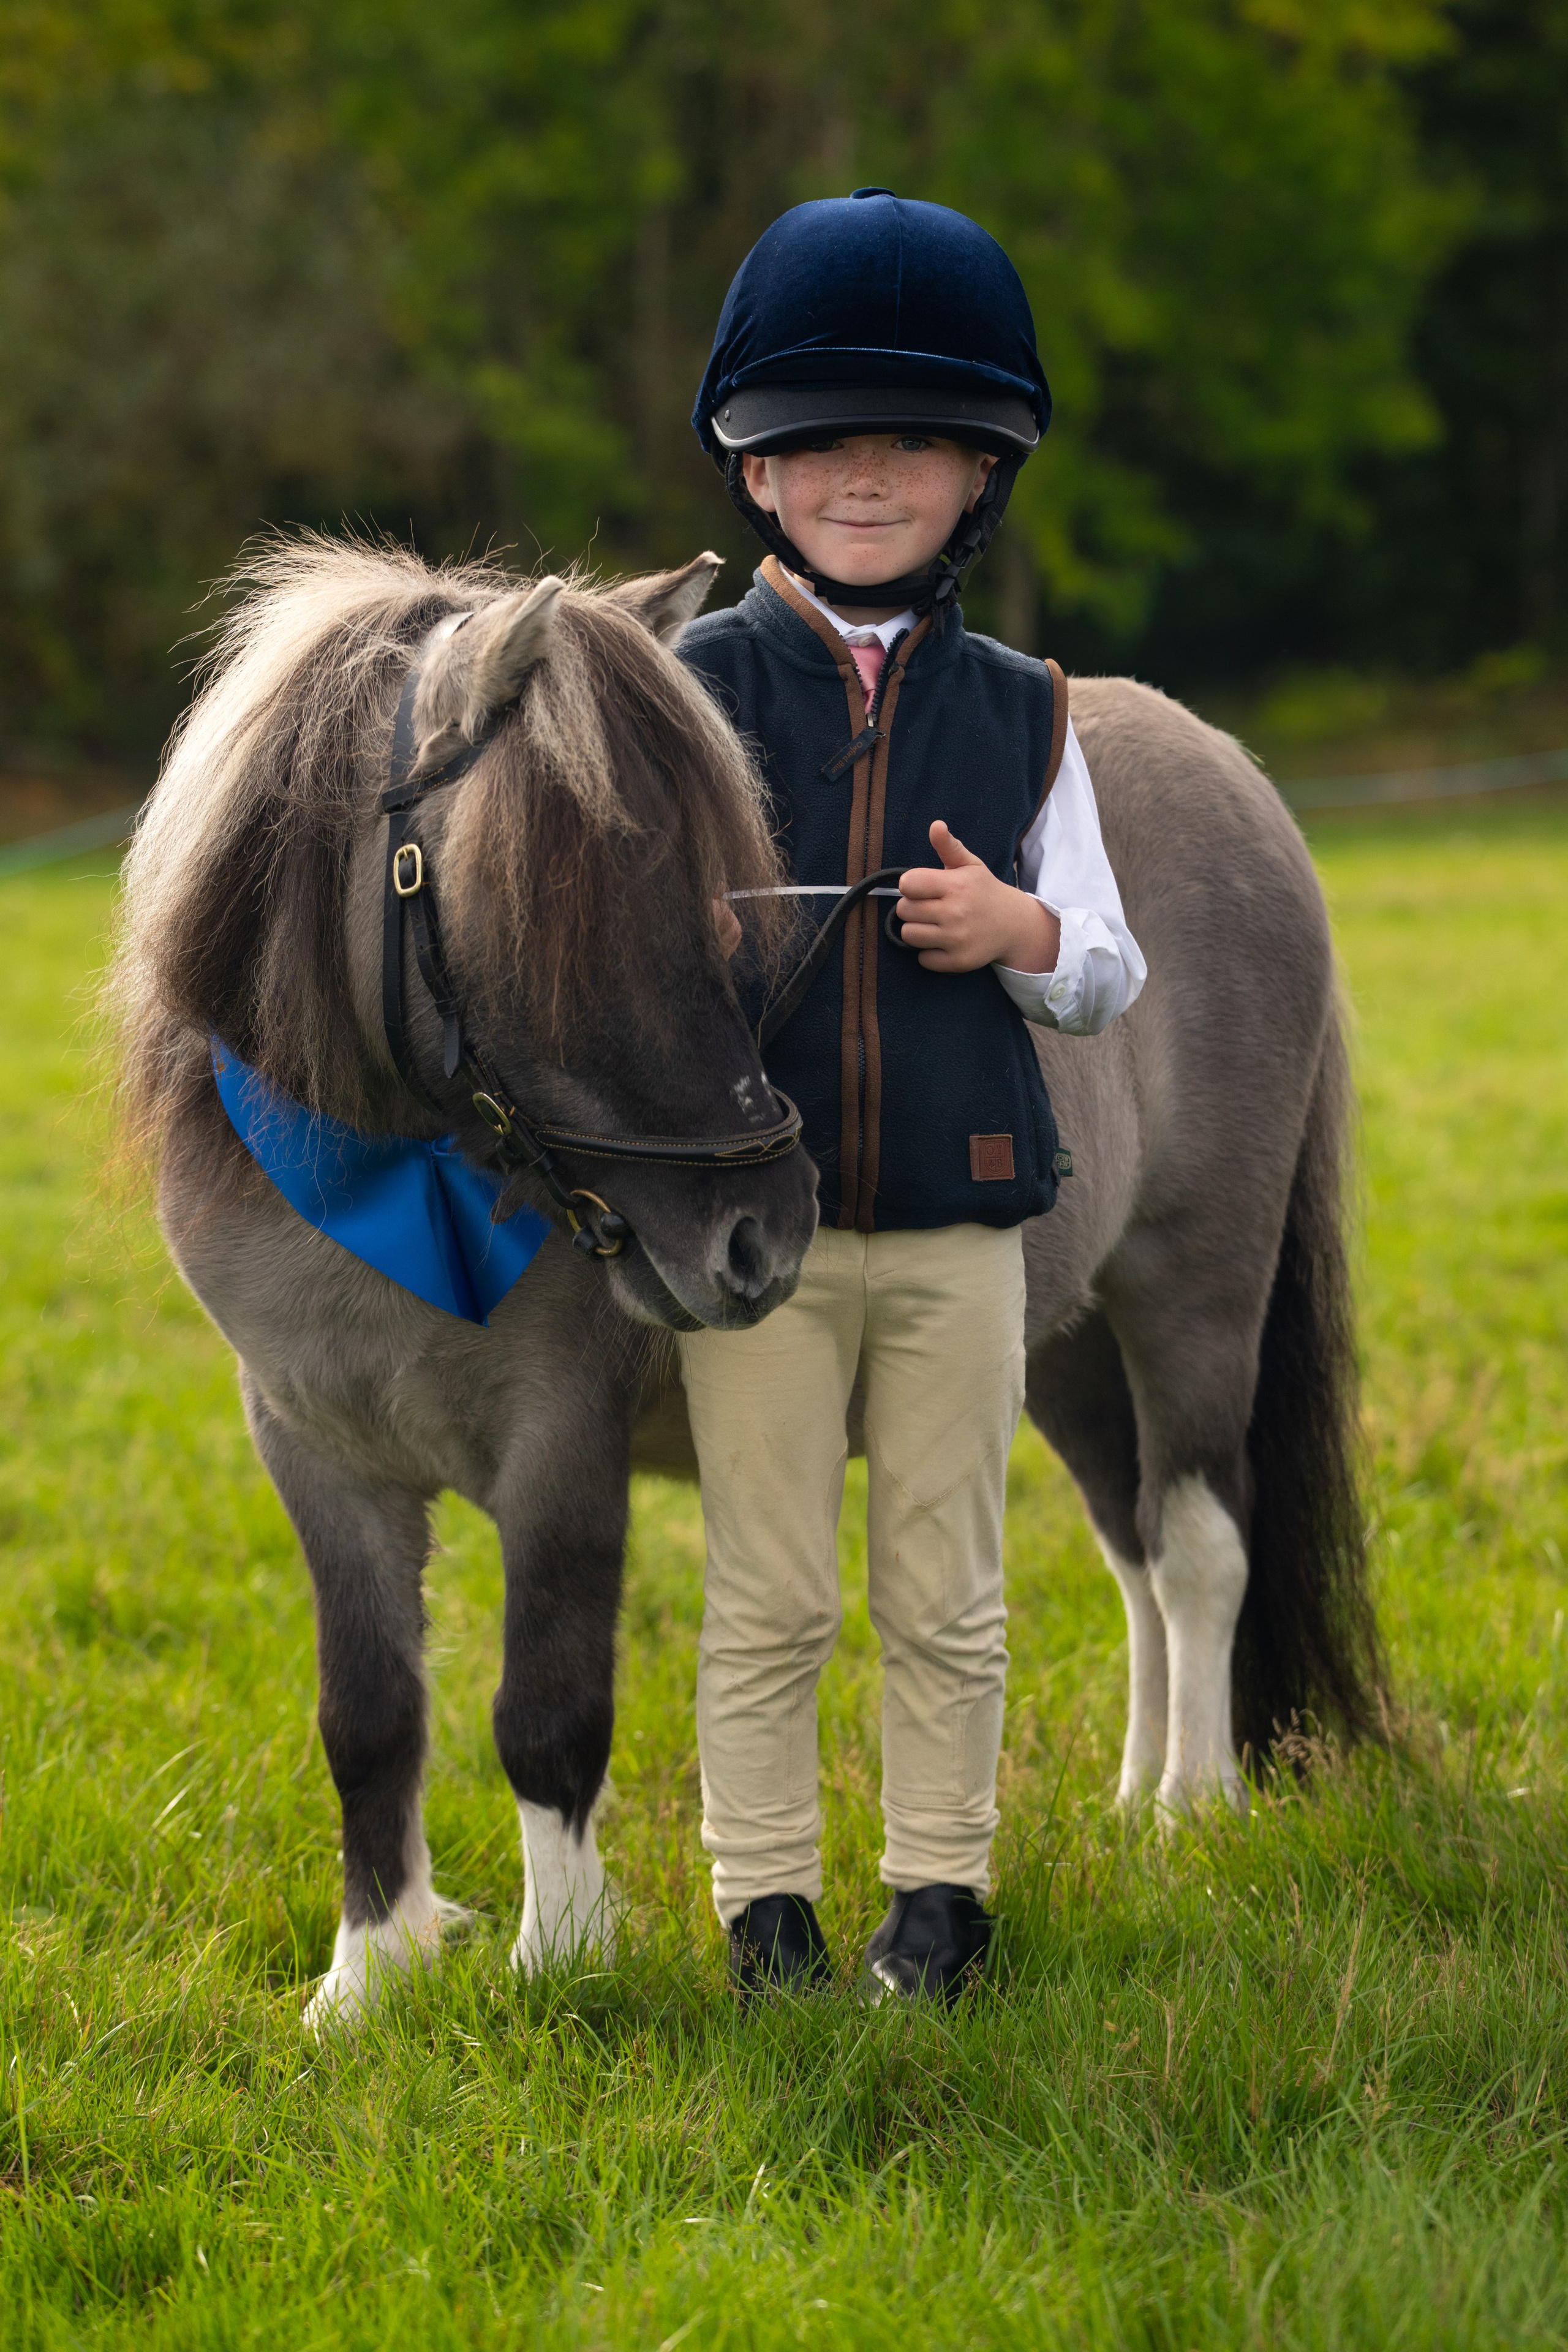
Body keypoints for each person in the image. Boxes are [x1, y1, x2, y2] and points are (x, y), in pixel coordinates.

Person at [677, 189, 1145, 2002]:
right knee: (771, 1591)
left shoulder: (1024, 709)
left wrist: (1014, 924)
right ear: (759, 475)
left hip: (960, 1219)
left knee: (945, 1589)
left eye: (912, 452)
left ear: (977, 479)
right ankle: (766, 1909)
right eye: (822, 450)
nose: (865, 480)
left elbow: (1105, 966)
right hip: (762, 1234)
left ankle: (940, 1896)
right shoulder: (685, 687)